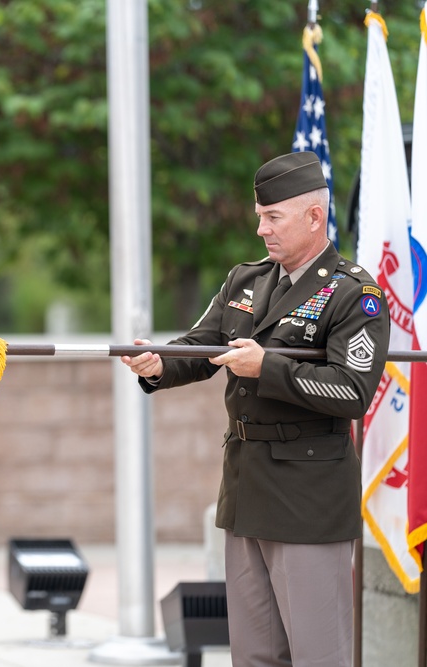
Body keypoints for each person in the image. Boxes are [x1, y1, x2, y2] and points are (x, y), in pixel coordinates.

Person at [121, 151, 390, 667]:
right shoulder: (245, 280)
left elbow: (354, 390)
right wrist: (158, 362)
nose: (261, 229)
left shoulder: (353, 293)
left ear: (314, 217)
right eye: (259, 216)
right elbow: (201, 348)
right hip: (247, 490)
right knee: (254, 656)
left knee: (318, 655)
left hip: (309, 499)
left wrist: (268, 368)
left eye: (273, 217)